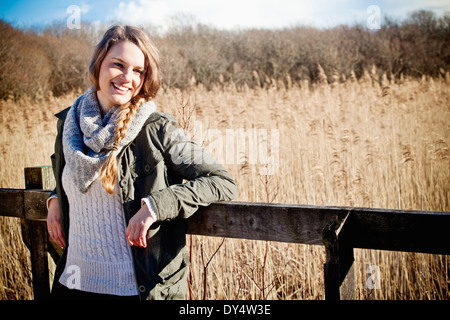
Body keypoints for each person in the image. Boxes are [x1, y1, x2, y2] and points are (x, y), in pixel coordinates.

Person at [46, 25, 237, 300]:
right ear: (98, 64)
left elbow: (221, 181)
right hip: (71, 285)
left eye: (138, 71)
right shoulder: (69, 125)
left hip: (132, 291)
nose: (127, 77)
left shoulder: (157, 129)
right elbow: (71, 172)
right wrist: (55, 198)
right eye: (118, 65)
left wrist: (156, 206)